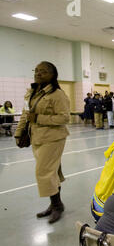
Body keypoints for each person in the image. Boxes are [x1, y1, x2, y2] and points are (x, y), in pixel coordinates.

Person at [14, 61, 70, 224]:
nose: (38, 74)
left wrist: (39, 118)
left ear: (53, 75)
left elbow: (65, 117)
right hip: (37, 137)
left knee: (43, 172)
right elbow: (25, 114)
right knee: (51, 172)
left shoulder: (58, 94)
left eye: (43, 71)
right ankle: (55, 204)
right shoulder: (31, 93)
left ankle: (57, 205)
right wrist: (18, 133)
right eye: (37, 71)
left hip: (53, 138)